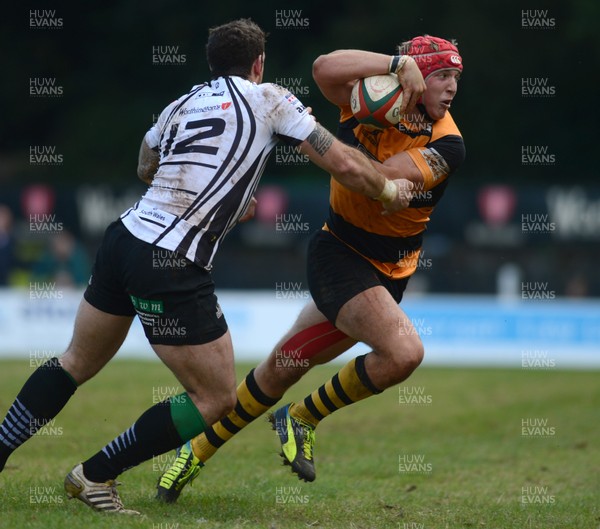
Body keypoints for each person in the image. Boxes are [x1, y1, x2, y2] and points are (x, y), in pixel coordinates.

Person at [0, 19, 416, 515]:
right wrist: (388, 189)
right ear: (258, 64)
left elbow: (144, 164)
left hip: (125, 238)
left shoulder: (183, 102)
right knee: (215, 398)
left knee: (75, 361)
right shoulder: (268, 99)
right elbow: (341, 162)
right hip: (171, 261)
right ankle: (94, 475)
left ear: (212, 62)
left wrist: (203, 188)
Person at [156, 34, 465, 502]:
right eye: (442, 75)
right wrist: (392, 65)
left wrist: (343, 130)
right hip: (340, 255)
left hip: (390, 273)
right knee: (403, 354)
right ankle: (301, 417)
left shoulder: (449, 143)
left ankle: (194, 451)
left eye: (456, 78)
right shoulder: (372, 94)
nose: (452, 87)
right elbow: (324, 66)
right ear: (415, 76)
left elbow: (380, 180)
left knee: (280, 369)